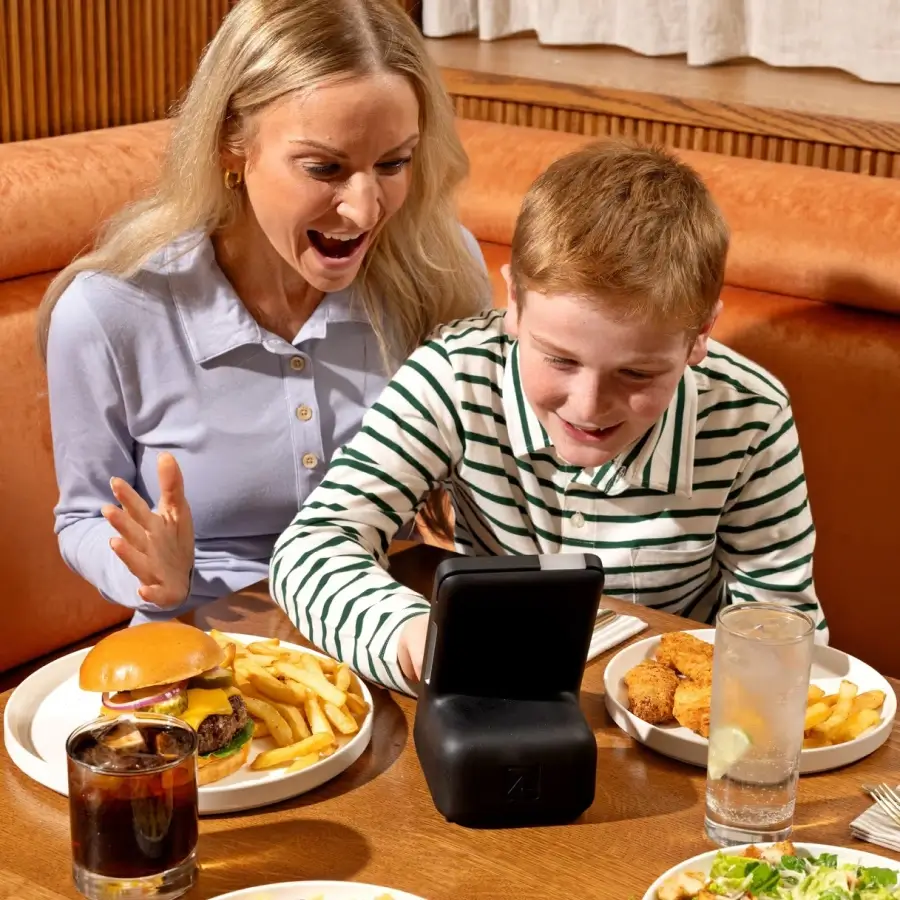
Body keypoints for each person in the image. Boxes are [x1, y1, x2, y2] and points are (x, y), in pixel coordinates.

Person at [269, 140, 827, 695]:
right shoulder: (455, 377)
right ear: (513, 301)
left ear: (700, 335)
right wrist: (413, 634)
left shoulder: (750, 414)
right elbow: (312, 546)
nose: (588, 406)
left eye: (637, 375)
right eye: (559, 359)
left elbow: (780, 626)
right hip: (493, 706)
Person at [40, 0, 488, 624]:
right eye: (323, 167)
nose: (365, 210)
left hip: (386, 635)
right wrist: (145, 573)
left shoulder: (439, 270)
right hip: (198, 651)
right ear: (231, 144)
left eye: (394, 163)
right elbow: (83, 516)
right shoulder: (107, 310)